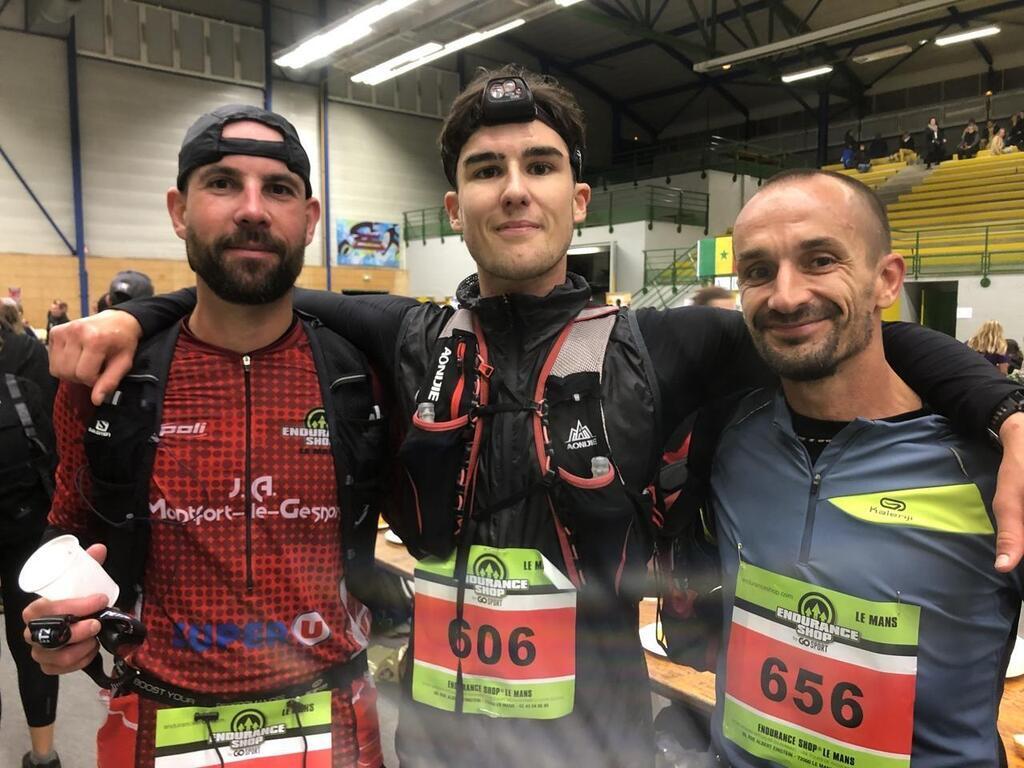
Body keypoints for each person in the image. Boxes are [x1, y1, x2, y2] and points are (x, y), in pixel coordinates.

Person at [44, 67, 1024, 767]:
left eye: (540, 165)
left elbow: (844, 327)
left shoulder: (667, 343)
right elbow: (249, 284)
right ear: (454, 203)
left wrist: (1006, 406)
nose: (514, 187)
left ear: (578, 198)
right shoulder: (400, 334)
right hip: (429, 737)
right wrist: (140, 310)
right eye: (485, 169)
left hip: (597, 741)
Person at [23, 105, 388, 768]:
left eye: (278, 188)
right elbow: (69, 532)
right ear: (178, 211)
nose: (252, 209)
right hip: (156, 723)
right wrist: (60, 625)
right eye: (222, 183)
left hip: (334, 725)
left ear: (308, 220)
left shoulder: (362, 376)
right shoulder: (106, 380)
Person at [698, 169, 1024, 766]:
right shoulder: (727, 440)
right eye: (758, 270)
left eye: (821, 260)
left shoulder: (997, 470)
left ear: (886, 280)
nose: (787, 295)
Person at [0, 314, 60, 768]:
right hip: (27, 537)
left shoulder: (27, 393)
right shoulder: (25, 394)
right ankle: (43, 757)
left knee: (33, 645)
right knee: (34, 644)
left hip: (26, 537)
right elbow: (55, 463)